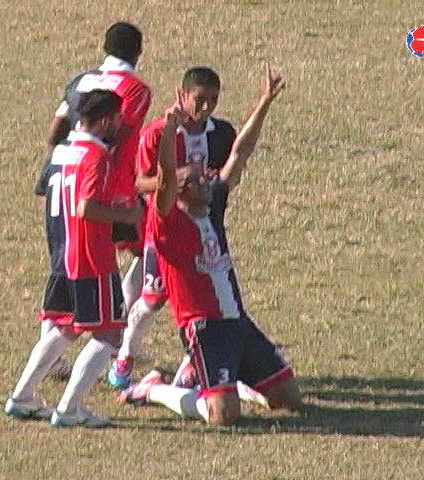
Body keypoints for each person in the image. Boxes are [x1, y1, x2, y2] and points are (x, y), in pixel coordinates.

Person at [118, 64, 302, 426]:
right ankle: (151, 388)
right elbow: (166, 177)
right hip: (204, 328)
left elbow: (240, 153)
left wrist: (264, 102)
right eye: (198, 179)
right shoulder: (168, 221)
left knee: (289, 400)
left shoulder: (214, 204)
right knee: (223, 418)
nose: (208, 177)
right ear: (181, 192)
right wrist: (171, 130)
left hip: (238, 323)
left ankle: (237, 380)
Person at [4, 90, 142, 427]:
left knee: (65, 327)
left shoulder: (62, 151)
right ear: (106, 119)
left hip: (62, 254)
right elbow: (87, 207)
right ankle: (69, 409)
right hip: (91, 258)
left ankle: (22, 397)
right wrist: (125, 215)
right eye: (118, 118)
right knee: (109, 335)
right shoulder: (95, 156)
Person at [107, 66, 238, 389]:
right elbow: (138, 182)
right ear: (182, 95)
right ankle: (124, 355)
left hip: (206, 231)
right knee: (152, 299)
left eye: (213, 100)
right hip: (164, 231)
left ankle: (193, 365)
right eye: (200, 99)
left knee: (209, 303)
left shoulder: (221, 133)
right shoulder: (158, 133)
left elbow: (228, 173)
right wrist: (172, 181)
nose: (206, 107)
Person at [43, 21, 152, 352]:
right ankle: (117, 336)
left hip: (60, 177)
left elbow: (53, 132)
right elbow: (117, 138)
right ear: (138, 52)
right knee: (149, 250)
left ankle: (50, 351)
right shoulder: (136, 89)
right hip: (106, 184)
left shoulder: (79, 80)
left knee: (62, 265)